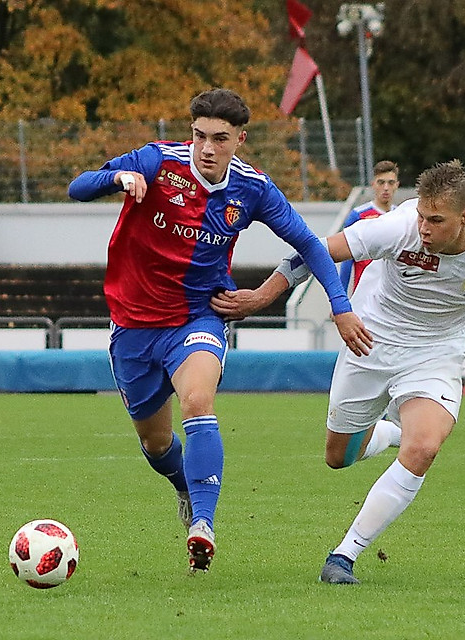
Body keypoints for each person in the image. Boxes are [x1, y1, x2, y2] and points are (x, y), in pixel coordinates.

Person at [68, 88, 370, 573]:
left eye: (220, 138)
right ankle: (184, 486)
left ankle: (203, 526)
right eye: (200, 136)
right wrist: (116, 177)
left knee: (197, 401)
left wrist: (340, 306)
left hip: (198, 317)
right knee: (156, 444)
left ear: (240, 139)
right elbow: (77, 187)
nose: (207, 148)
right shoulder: (156, 162)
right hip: (133, 326)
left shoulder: (252, 189)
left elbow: (311, 245)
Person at [211, 160, 465, 584]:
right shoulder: (397, 228)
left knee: (423, 447)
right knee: (338, 458)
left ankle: (343, 556)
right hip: (369, 342)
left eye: (436, 220)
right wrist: (261, 297)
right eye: (422, 216)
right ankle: (389, 432)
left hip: (434, 355)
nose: (424, 227)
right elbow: (313, 250)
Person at [338, 160, 400, 298]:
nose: (386, 188)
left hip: (391, 296)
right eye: (381, 182)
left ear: (397, 185)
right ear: (373, 184)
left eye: (390, 183)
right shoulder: (358, 215)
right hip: (363, 294)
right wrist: (341, 298)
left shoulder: (400, 216)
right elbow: (346, 259)